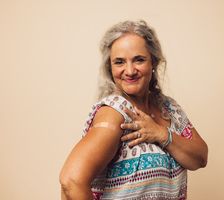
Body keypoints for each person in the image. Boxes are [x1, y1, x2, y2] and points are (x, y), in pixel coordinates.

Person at [59, 20, 208, 200]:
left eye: (139, 60)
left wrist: (161, 134)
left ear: (153, 62)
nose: (129, 71)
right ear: (110, 68)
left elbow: (200, 158)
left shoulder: (168, 107)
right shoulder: (115, 113)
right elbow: (71, 181)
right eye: (119, 62)